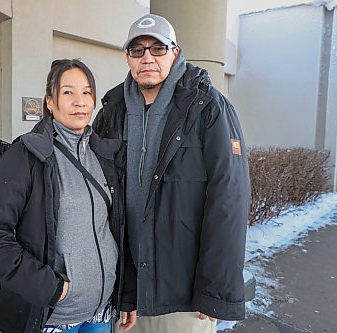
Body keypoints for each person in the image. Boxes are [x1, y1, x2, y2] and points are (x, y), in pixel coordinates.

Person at [93, 14, 251, 333]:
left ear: (175, 53)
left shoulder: (209, 108)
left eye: (157, 48)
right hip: (130, 293)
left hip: (185, 296)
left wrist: (213, 291)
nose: (147, 57)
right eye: (137, 50)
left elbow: (229, 202)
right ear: (127, 57)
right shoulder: (112, 112)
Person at [0, 59, 136, 333]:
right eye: (68, 92)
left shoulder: (105, 156)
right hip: (51, 317)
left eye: (86, 92)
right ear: (50, 102)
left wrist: (125, 294)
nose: (79, 101)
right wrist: (51, 288)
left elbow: (116, 231)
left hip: (98, 313)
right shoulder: (25, 156)